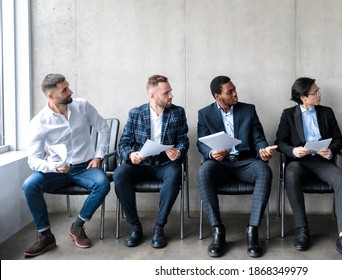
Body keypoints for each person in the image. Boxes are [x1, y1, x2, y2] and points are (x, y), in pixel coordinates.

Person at [22, 73, 111, 257]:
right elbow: (33, 159)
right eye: (65, 90)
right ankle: (45, 235)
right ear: (51, 96)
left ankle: (77, 226)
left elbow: (103, 128)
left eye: (68, 86)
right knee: (29, 185)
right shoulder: (39, 122)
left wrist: (98, 156)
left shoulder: (82, 105)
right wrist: (54, 167)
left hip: (86, 167)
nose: (71, 91)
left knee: (103, 184)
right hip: (57, 170)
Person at [275, 77, 342, 260]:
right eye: (315, 92)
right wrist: (294, 150)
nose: (319, 94)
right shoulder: (288, 114)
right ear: (303, 97)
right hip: (299, 162)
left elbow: (338, 140)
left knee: (340, 179)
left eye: (318, 90)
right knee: (290, 173)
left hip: (322, 161)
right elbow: (280, 142)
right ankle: (302, 229)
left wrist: (331, 151)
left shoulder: (327, 112)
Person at [197, 75, 277, 258]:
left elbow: (258, 137)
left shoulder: (248, 110)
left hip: (245, 162)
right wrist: (211, 153)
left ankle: (253, 231)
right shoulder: (204, 113)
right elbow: (201, 143)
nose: (235, 94)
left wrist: (262, 149)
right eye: (230, 92)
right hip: (221, 164)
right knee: (203, 172)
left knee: (264, 170)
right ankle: (218, 231)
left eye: (235, 89)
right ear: (218, 96)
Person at [114, 74, 189, 249]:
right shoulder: (136, 113)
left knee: (175, 172)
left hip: (165, 164)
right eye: (166, 93)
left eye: (170, 92)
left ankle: (159, 226)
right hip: (140, 164)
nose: (171, 96)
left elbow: (184, 140)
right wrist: (131, 154)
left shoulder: (178, 112)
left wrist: (178, 152)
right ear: (152, 95)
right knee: (119, 174)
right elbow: (123, 143)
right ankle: (135, 226)